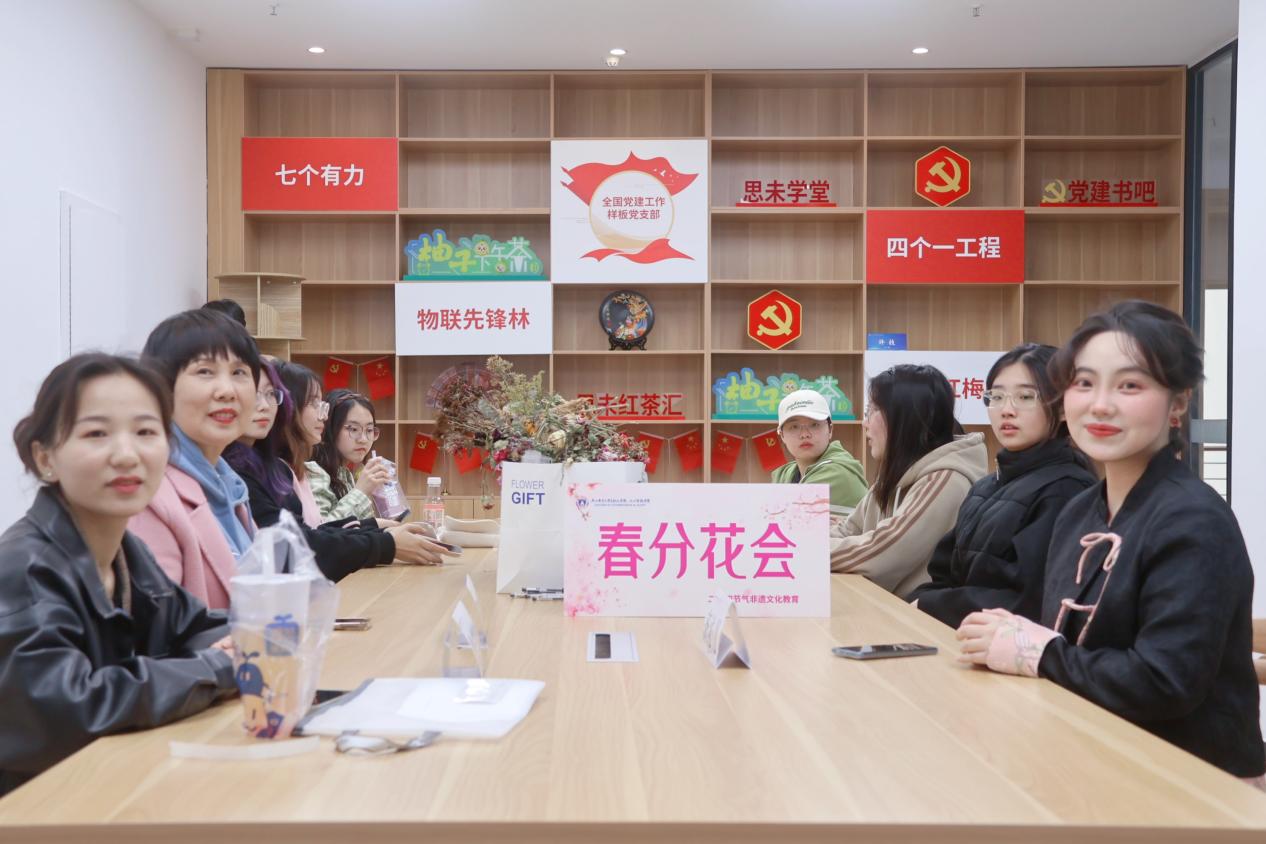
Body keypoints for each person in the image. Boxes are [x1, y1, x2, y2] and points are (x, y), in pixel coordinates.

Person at [957, 301, 1266, 783]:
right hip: (1092, 753)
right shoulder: (1081, 509)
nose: (1100, 404)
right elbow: (1065, 637)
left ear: (1178, 403)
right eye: (1084, 383)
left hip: (1193, 780)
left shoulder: (1193, 519)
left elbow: (1164, 683)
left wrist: (1037, 651)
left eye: (1130, 385)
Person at [0, 354, 237, 794]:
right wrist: (218, 666)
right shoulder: (23, 569)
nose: (127, 455)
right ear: (45, 457)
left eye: (146, 432)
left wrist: (248, 638)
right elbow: (72, 709)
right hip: (32, 810)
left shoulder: (127, 551)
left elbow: (195, 627)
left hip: (105, 789)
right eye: (96, 434)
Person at [908, 344, 1096, 627]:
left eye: (1025, 397)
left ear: (1062, 408)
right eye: (996, 397)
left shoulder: (1066, 490)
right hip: (959, 637)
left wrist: (931, 604)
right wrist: (921, 600)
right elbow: (944, 573)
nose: (1007, 410)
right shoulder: (986, 486)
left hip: (1008, 646)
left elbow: (1034, 603)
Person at [226, 361, 449, 574]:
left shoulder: (281, 469)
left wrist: (374, 527)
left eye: (271, 395)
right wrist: (383, 540)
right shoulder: (293, 471)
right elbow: (302, 547)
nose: (363, 439)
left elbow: (313, 534)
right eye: (353, 429)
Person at [129, 309, 261, 610]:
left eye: (239, 372)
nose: (227, 391)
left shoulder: (230, 485)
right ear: (161, 387)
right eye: (205, 371)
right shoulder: (147, 494)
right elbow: (158, 626)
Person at [830, 364, 988, 596]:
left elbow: (883, 552)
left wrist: (804, 550)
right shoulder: (895, 474)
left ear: (904, 417)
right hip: (886, 607)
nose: (865, 423)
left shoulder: (946, 479)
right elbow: (849, 529)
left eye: (872, 411)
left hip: (916, 615)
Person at [769, 389, 867, 517]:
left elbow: (778, 517)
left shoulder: (837, 472)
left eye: (814, 425)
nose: (805, 434)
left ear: (830, 430)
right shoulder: (787, 473)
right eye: (794, 427)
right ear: (782, 435)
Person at [307, 389, 394, 522]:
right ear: (331, 429)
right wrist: (361, 491)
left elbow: (359, 527)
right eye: (353, 429)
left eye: (369, 430)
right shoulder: (314, 471)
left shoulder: (345, 474)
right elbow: (320, 529)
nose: (363, 439)